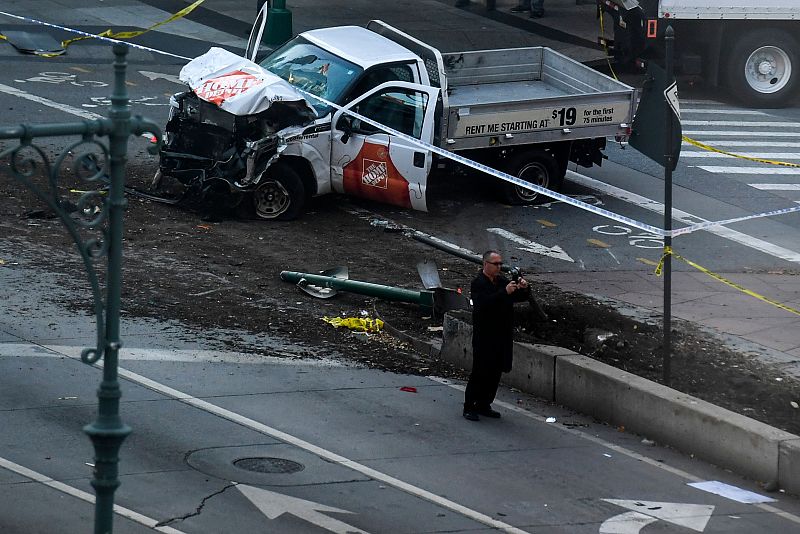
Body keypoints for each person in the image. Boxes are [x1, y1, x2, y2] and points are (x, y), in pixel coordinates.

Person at [463, 250, 530, 421]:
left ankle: (485, 403)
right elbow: (483, 304)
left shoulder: (501, 281)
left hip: (502, 334)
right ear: (486, 264)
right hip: (485, 335)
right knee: (480, 371)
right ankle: (470, 405)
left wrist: (524, 288)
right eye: (496, 264)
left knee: (495, 371)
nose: (499, 267)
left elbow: (517, 297)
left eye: (500, 264)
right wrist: (504, 293)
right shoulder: (478, 283)